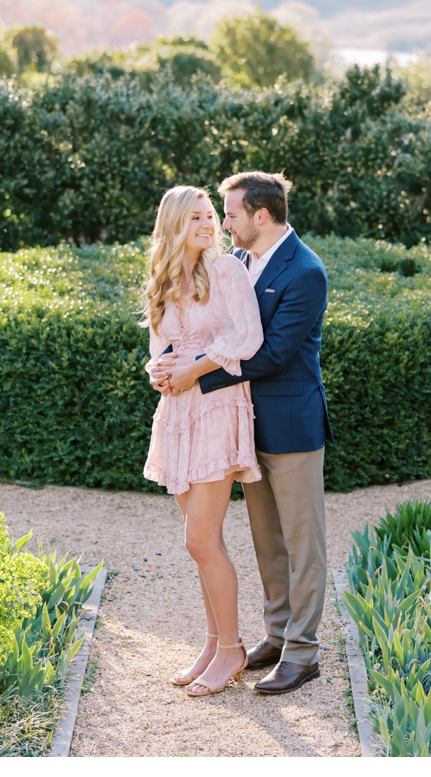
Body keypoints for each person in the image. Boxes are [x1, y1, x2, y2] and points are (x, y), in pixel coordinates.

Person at [154, 170, 332, 696]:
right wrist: (172, 367)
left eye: (229, 214)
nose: (223, 222)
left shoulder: (305, 271)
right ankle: (277, 636)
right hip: (244, 423)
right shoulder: (237, 263)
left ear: (261, 215)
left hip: (292, 423)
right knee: (266, 542)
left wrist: (196, 374)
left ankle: (304, 653)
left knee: (304, 545)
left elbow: (271, 352)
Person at [141, 184, 264, 697]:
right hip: (177, 412)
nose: (208, 225)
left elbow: (247, 338)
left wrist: (194, 370)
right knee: (200, 544)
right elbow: (158, 346)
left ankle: (233, 649)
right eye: (195, 218)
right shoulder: (165, 279)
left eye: (211, 215)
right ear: (173, 225)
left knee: (200, 538)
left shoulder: (227, 271)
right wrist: (159, 370)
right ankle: (213, 644)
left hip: (217, 408)